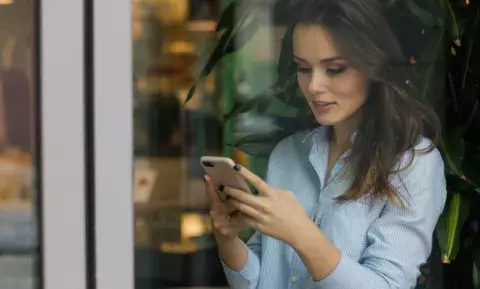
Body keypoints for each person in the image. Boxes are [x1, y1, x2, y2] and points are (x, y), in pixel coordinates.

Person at [204, 0, 447, 288]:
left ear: (373, 67)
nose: (314, 85)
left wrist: (301, 234)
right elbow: (261, 280)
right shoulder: (288, 154)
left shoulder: (413, 162)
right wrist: (227, 237)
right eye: (303, 68)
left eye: (334, 69)